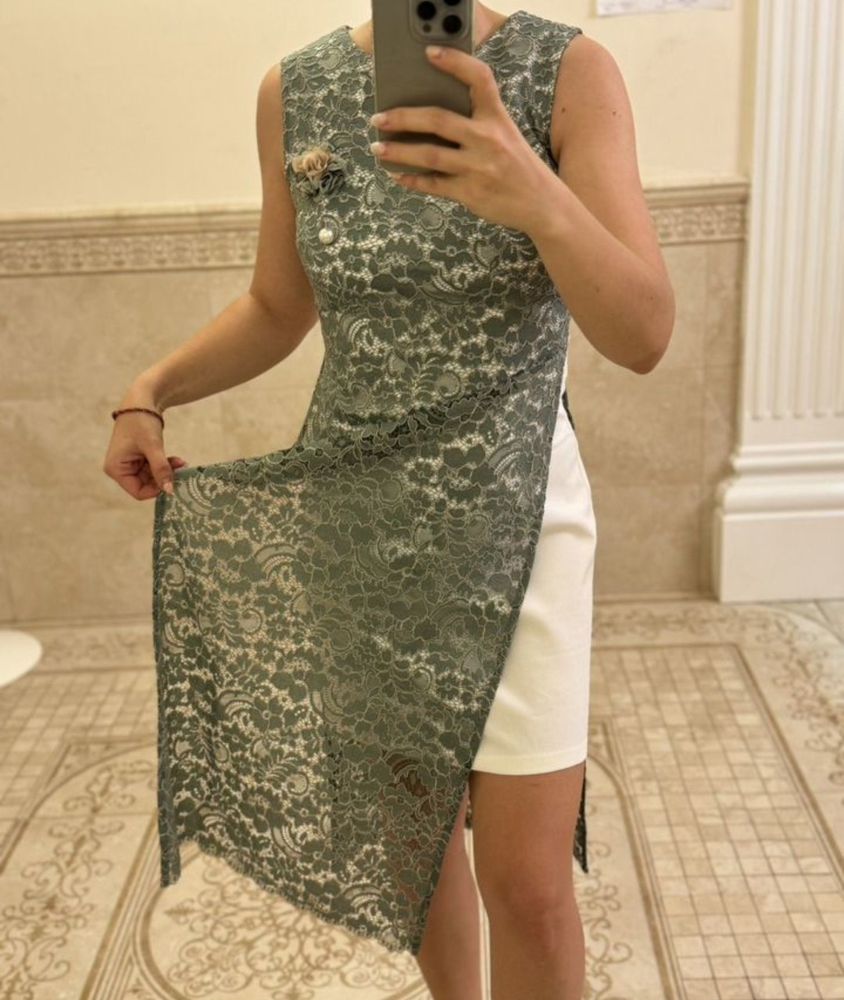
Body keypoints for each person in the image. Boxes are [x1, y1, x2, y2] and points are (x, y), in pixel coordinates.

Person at [104, 5, 674, 998]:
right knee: (415, 848)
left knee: (528, 885)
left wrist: (534, 193)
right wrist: (149, 389)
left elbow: (644, 333)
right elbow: (277, 305)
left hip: (518, 526)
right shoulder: (295, 89)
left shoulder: (569, 72)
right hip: (359, 520)